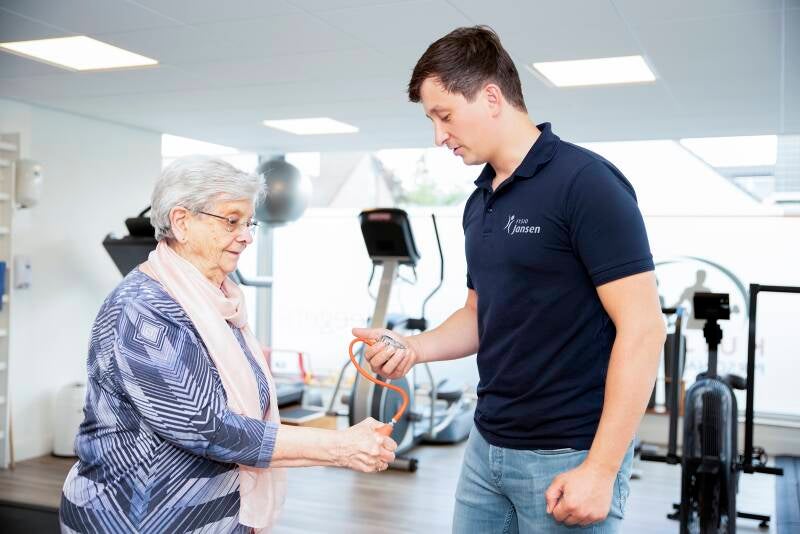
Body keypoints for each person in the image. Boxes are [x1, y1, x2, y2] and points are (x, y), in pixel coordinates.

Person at [354, 26, 666, 533]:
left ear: (492, 97)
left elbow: (644, 329)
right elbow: (481, 314)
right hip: (487, 448)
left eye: (445, 115)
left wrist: (603, 468)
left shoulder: (586, 183)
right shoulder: (480, 204)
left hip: (568, 453)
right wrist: (412, 348)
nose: (439, 136)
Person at [61, 156, 397, 533]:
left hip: (218, 514)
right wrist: (339, 446)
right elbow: (209, 427)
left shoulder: (218, 301)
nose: (247, 235)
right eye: (232, 221)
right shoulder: (141, 311)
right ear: (182, 222)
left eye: (248, 223)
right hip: (136, 516)